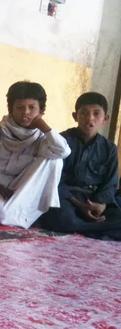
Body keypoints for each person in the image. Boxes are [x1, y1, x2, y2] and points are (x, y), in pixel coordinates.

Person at [0, 81, 70, 228]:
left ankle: (16, 214)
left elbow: (63, 151)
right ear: (11, 109)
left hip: (20, 188)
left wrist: (45, 127)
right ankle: (13, 215)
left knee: (55, 160)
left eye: (32, 107)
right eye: (20, 107)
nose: (25, 112)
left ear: (41, 111)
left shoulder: (41, 138)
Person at [38, 93, 121, 240]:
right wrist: (79, 205)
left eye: (96, 114)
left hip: (94, 199)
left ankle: (84, 227)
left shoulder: (110, 149)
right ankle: (95, 228)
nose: (90, 118)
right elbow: (54, 179)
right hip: (67, 198)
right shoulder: (61, 142)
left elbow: (110, 183)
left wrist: (100, 205)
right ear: (75, 116)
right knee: (61, 217)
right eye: (84, 113)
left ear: (105, 119)